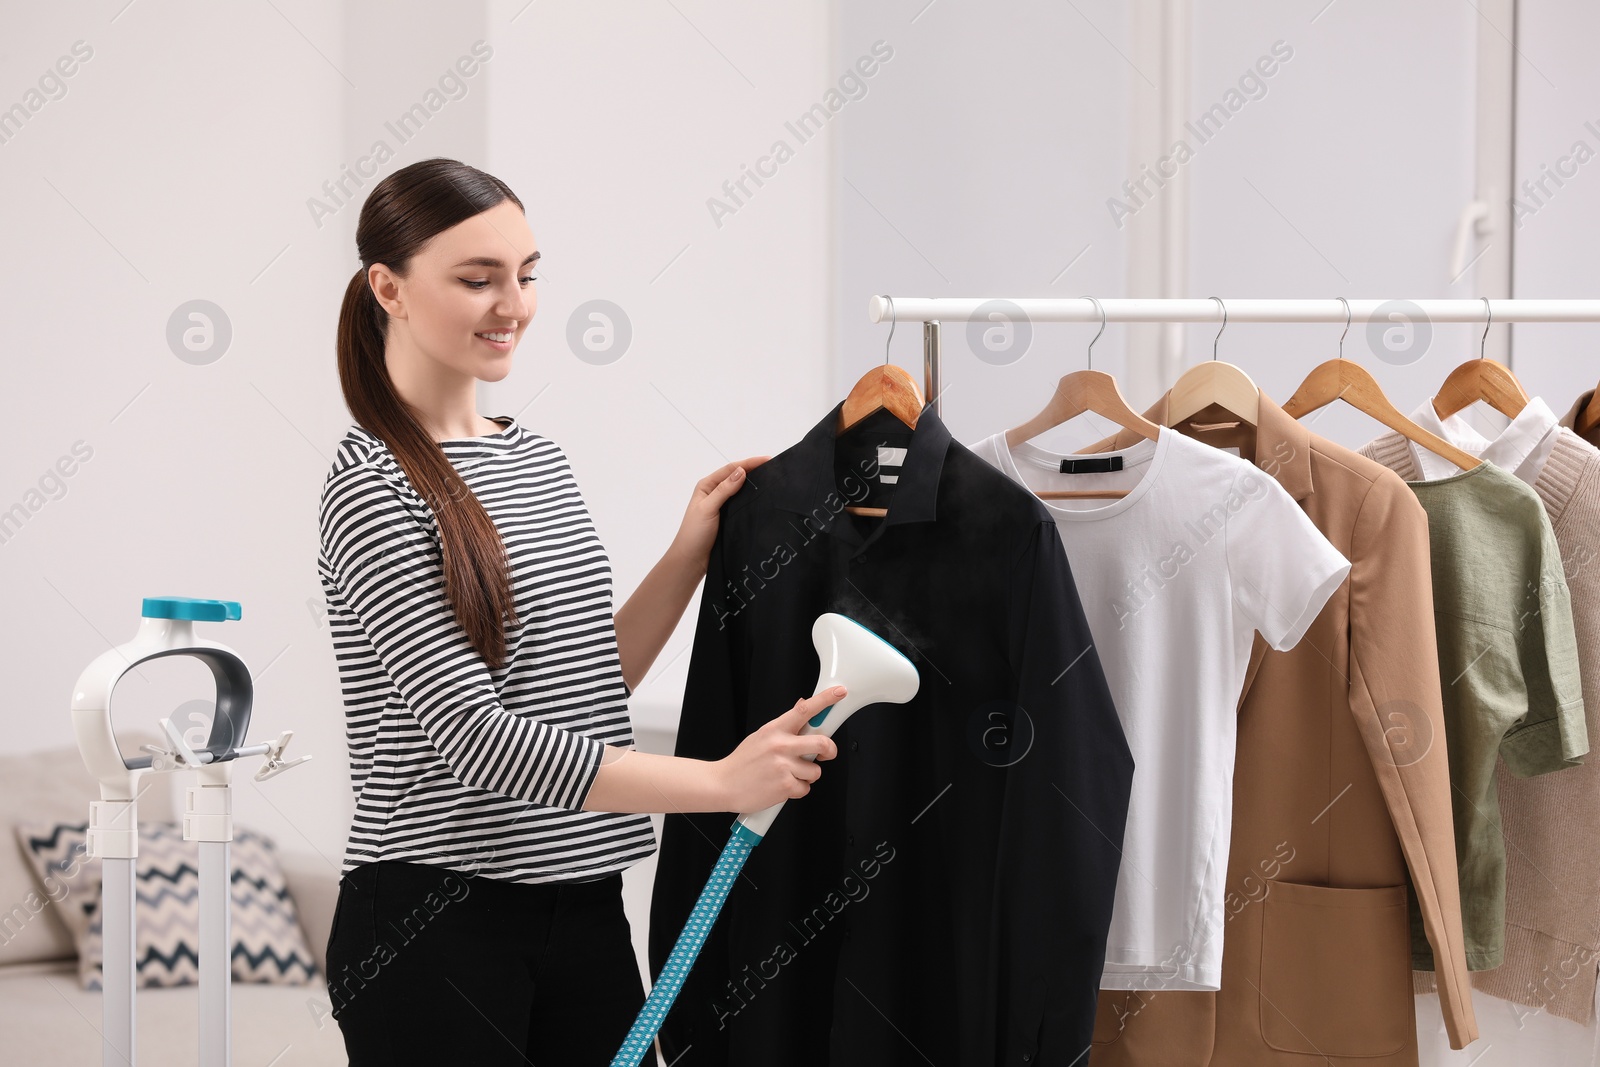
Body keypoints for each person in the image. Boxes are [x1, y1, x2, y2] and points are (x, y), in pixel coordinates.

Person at [317, 156, 840, 1066]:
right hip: (434, 923)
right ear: (388, 287)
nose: (512, 304)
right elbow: (475, 736)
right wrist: (719, 783)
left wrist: (688, 553)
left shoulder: (535, 459)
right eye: (477, 279)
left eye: (526, 274)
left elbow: (583, 679)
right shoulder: (371, 486)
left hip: (586, 905)